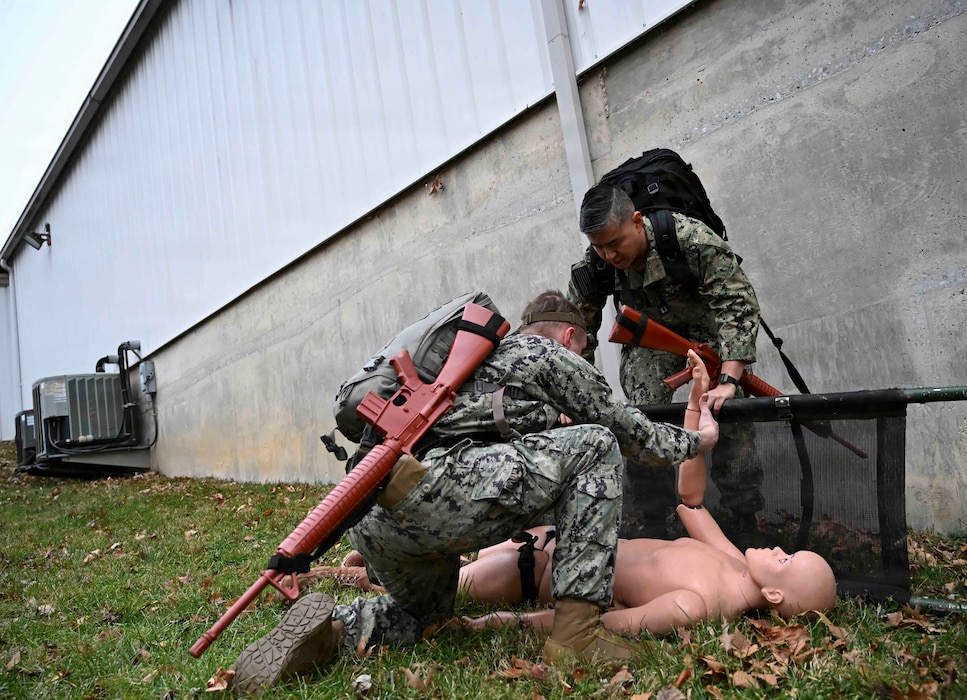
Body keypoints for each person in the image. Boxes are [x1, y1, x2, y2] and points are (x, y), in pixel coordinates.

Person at [228, 290, 718, 696]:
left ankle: (335, 630)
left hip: (374, 518)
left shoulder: (467, 374)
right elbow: (630, 431)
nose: (584, 359)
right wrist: (698, 440)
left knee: (422, 617)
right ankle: (576, 636)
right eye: (585, 350)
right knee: (597, 445)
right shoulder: (546, 356)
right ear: (571, 337)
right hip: (438, 495)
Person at [332, 353, 837, 634]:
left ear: (773, 594)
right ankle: (367, 566)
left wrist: (491, 626)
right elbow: (692, 504)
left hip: (542, 573)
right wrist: (693, 410)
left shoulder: (702, 603)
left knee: (456, 587)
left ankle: (352, 590)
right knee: (458, 549)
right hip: (557, 533)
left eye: (787, 560)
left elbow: (605, 624)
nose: (777, 547)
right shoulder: (729, 562)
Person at [567, 181, 766, 537]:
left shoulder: (691, 240)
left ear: (637, 221)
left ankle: (743, 516)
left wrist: (730, 381)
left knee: (726, 414)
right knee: (640, 418)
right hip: (651, 342)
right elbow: (576, 334)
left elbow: (737, 304)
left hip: (710, 337)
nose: (609, 256)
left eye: (615, 243)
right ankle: (653, 521)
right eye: (598, 247)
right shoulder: (594, 268)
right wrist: (572, 396)